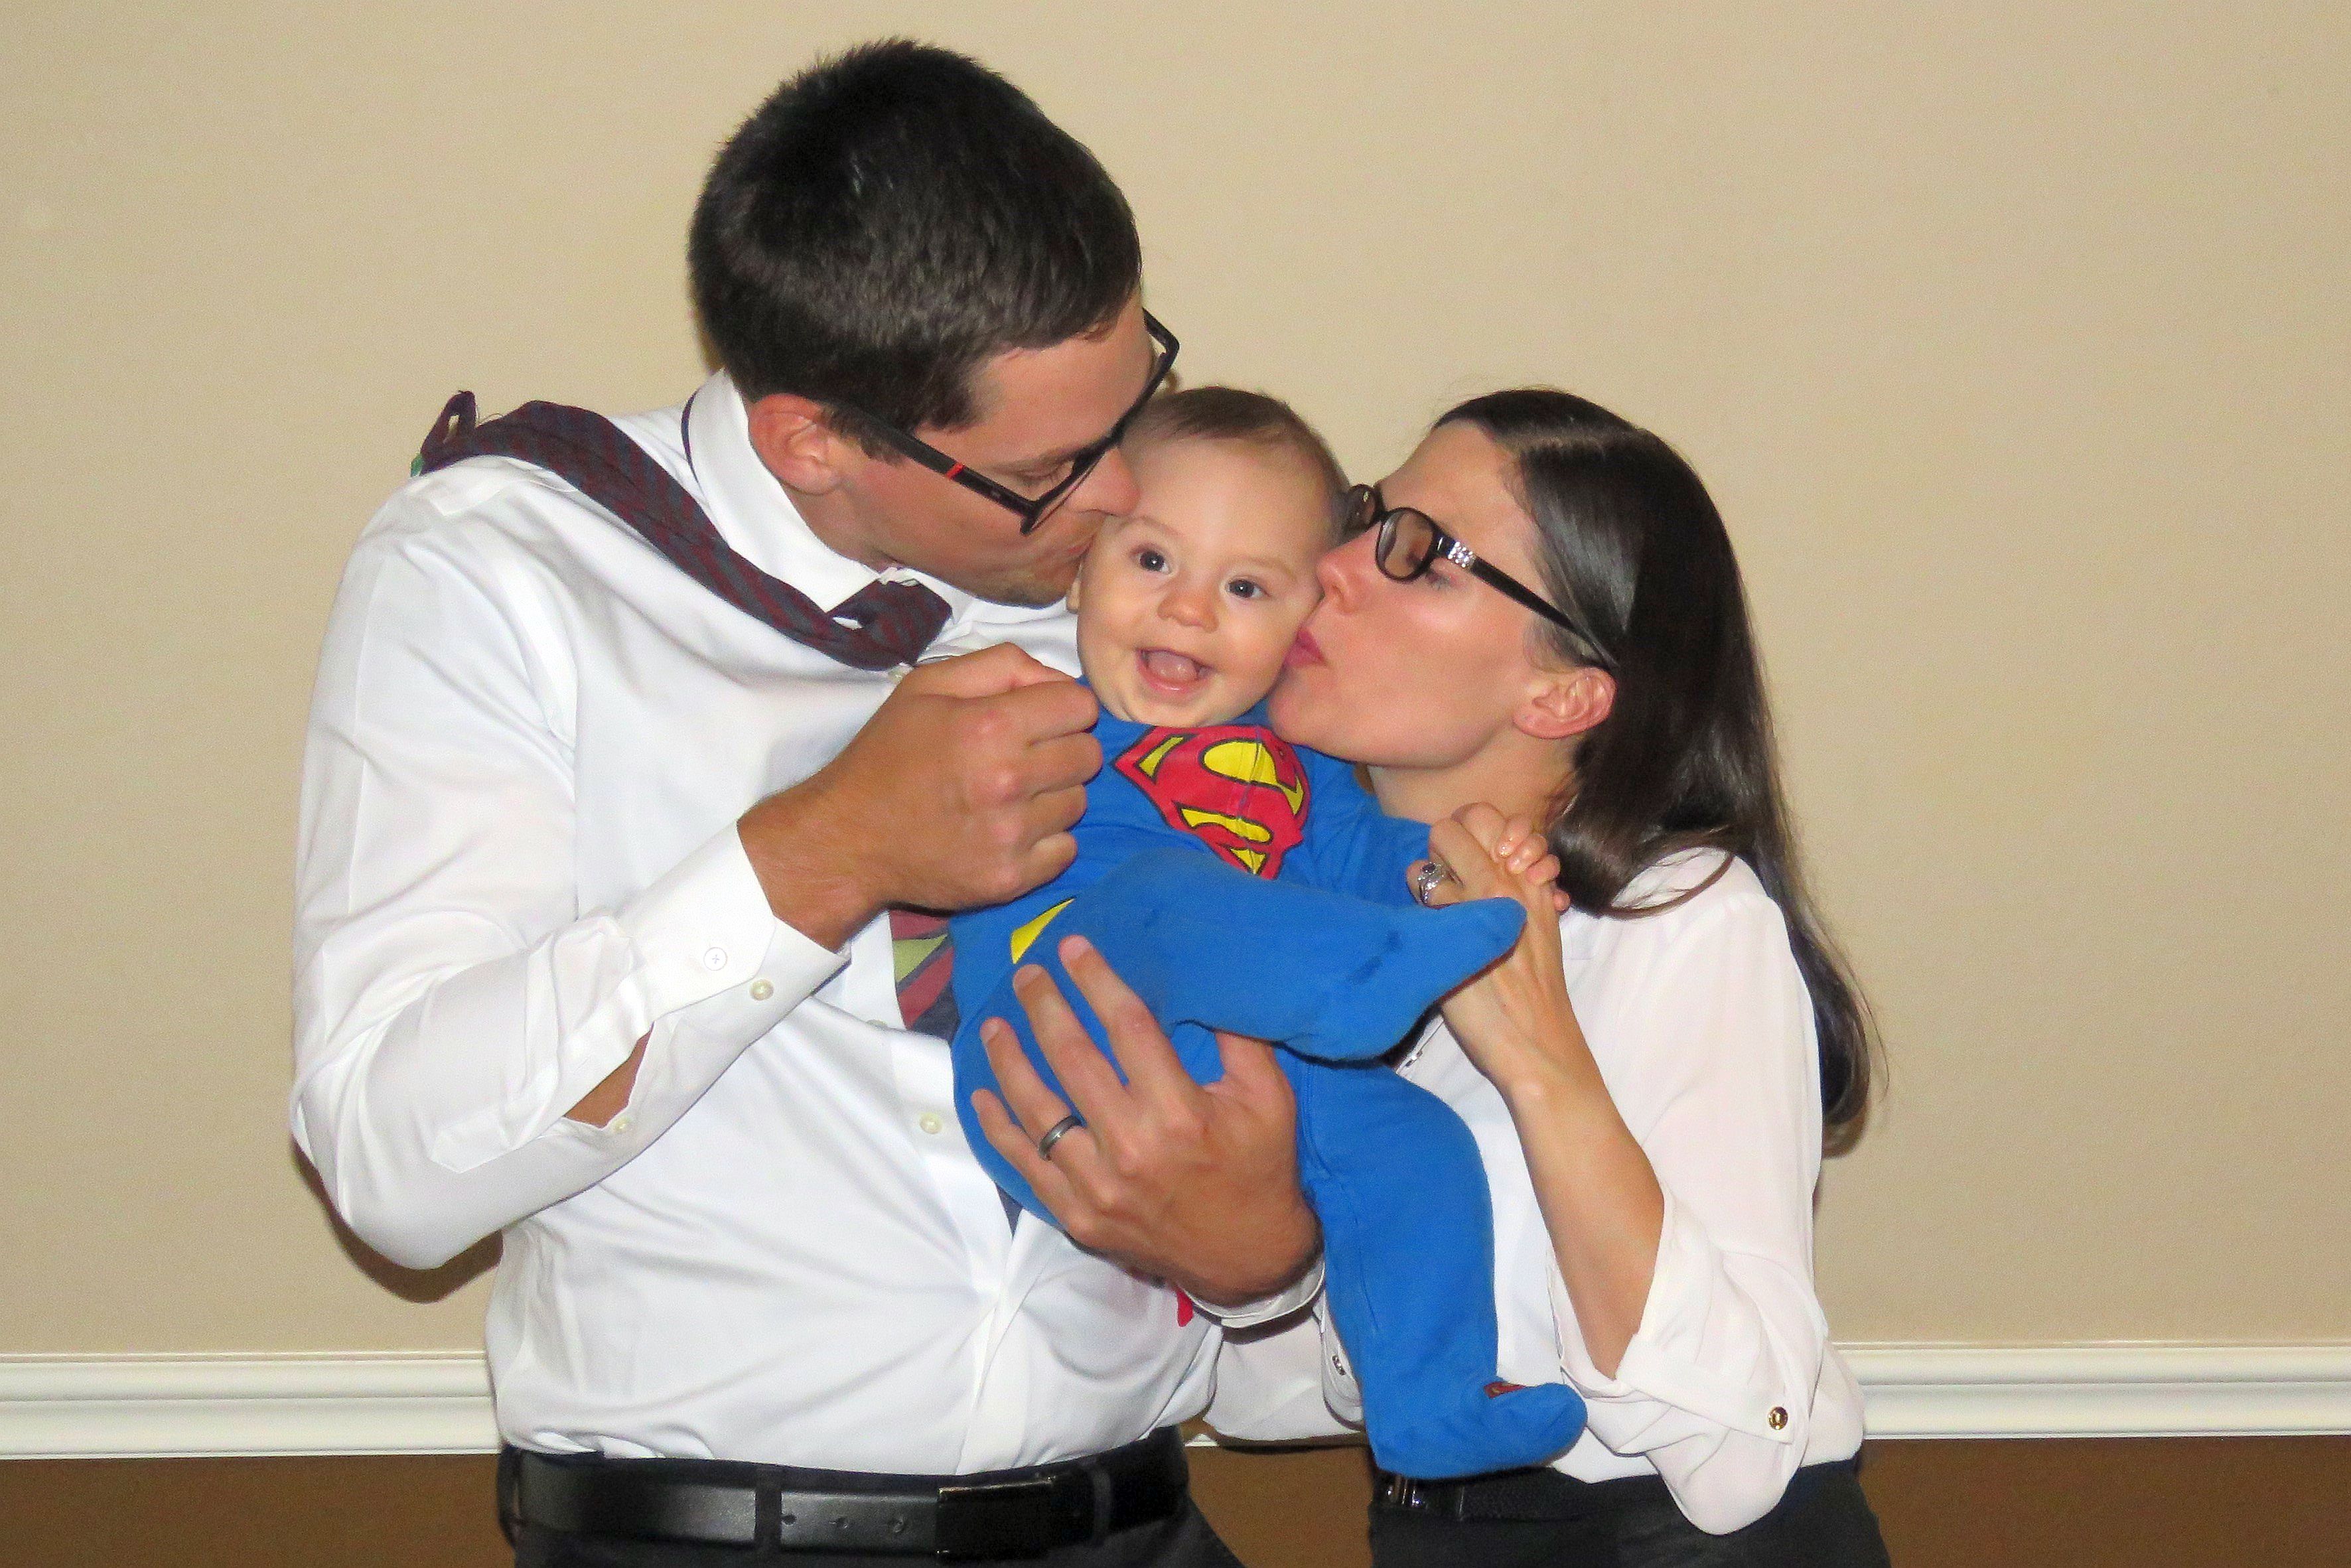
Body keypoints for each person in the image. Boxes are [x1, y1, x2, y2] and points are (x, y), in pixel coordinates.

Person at [292, 42, 1319, 1567]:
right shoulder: (507, 575)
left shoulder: (1169, 604)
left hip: (1140, 1520)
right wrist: (824, 852)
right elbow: (393, 1166)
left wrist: (1266, 1267)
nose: (1122, 498)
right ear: (811, 441)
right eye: (1049, 469)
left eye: (1133, 406)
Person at [1043, 388, 1894, 1563]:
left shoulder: (1679, 920)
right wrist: (1243, 1249)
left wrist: (1543, 1064)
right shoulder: (1286, 906)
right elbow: (1271, 1396)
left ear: (1563, 693)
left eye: (1421, 554)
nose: (1334, 566)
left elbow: (1737, 1458)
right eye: (1366, 517)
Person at [945, 388, 1587, 1482]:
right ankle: (1357, 982)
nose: (1188, 610)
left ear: (1302, 626)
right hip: (1055, 1032)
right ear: (1081, 569)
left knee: (1416, 1146)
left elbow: (1359, 849)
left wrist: (1449, 868)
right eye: (1152, 561)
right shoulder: (1029, 714)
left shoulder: (1301, 760)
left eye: (1245, 588)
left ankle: (1431, 1403)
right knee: (1167, 892)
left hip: (1249, 1066)